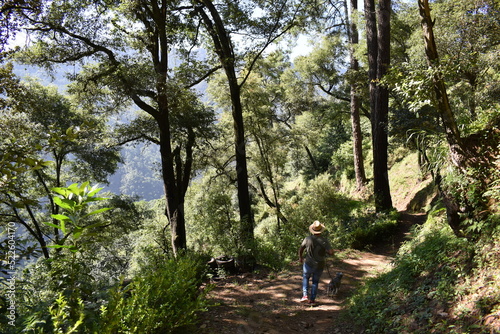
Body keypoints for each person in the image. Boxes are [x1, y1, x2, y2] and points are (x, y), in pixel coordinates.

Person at [298, 220, 333, 305]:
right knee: (315, 282)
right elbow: (331, 252)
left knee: (306, 278)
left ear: (313, 230)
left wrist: (300, 257)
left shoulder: (307, 239)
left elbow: (301, 249)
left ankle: (305, 296)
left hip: (308, 263)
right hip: (319, 264)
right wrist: (326, 251)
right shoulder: (324, 241)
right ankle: (312, 300)